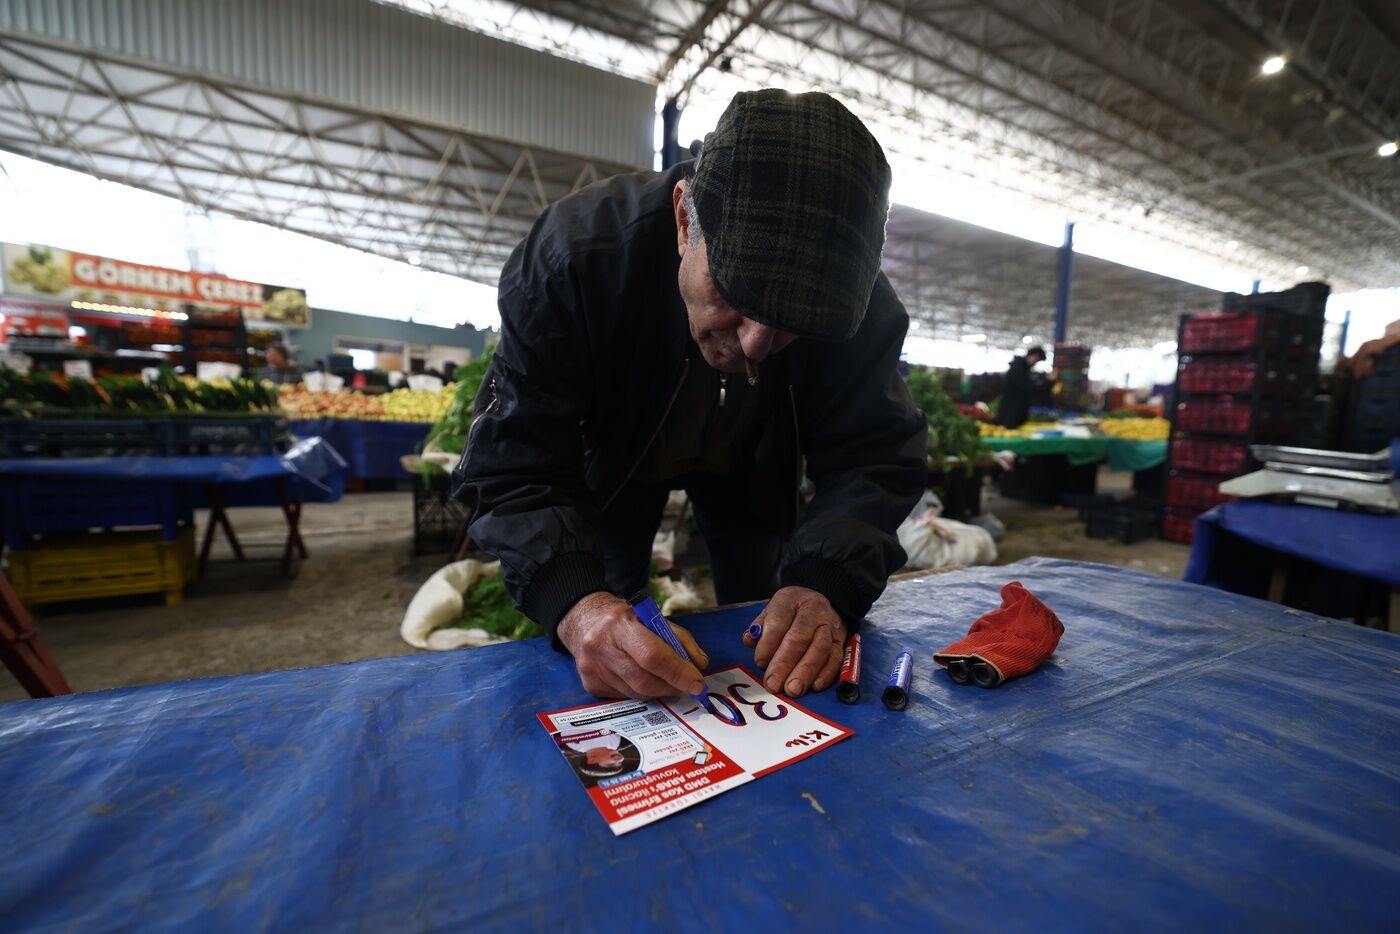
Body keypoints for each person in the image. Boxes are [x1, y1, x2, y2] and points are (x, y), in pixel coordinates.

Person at [454, 89, 927, 703]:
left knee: (760, 608)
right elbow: (512, 461)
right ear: (684, 220)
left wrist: (825, 581)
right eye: (735, 294)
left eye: (791, 324)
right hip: (620, 459)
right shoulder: (577, 258)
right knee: (613, 613)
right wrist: (577, 603)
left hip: (750, 464)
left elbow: (876, 453)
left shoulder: (852, 307)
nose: (756, 345)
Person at [996, 346, 1046, 428]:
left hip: (1013, 412)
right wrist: (1046, 383)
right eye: (1037, 361)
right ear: (1035, 356)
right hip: (1011, 414)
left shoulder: (1022, 367)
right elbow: (1027, 387)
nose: (1035, 364)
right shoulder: (1019, 367)